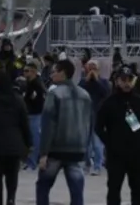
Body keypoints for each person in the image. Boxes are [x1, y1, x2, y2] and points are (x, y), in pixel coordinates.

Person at [35, 59, 93, 205]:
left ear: (63, 73)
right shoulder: (85, 95)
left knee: (43, 186)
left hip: (56, 148)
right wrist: (86, 148)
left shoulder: (54, 94)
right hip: (77, 149)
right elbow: (89, 124)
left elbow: (48, 124)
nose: (52, 75)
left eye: (54, 71)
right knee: (76, 190)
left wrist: (43, 153)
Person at [95, 65, 140, 205]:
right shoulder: (108, 103)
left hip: (137, 155)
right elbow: (98, 126)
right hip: (116, 156)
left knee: (138, 190)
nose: (126, 83)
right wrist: (109, 144)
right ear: (117, 81)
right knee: (114, 189)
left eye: (130, 79)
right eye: (123, 79)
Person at [0, 71, 32, 205]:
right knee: (12, 176)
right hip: (14, 143)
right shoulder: (17, 100)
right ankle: (11, 199)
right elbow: (24, 123)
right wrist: (29, 143)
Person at [78, 59, 110, 175]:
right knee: (85, 143)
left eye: (94, 68)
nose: (91, 71)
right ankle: (86, 165)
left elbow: (106, 93)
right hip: (85, 114)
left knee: (97, 143)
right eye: (89, 68)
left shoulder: (104, 81)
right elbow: (78, 93)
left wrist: (96, 80)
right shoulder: (83, 81)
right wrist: (87, 81)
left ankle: (97, 166)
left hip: (98, 114)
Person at [22, 62, 47, 170]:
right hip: (31, 113)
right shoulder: (30, 83)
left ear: (33, 72)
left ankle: (33, 162)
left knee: (35, 138)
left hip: (35, 114)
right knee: (31, 138)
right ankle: (30, 160)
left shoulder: (36, 84)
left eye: (27, 71)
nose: (24, 73)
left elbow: (36, 99)